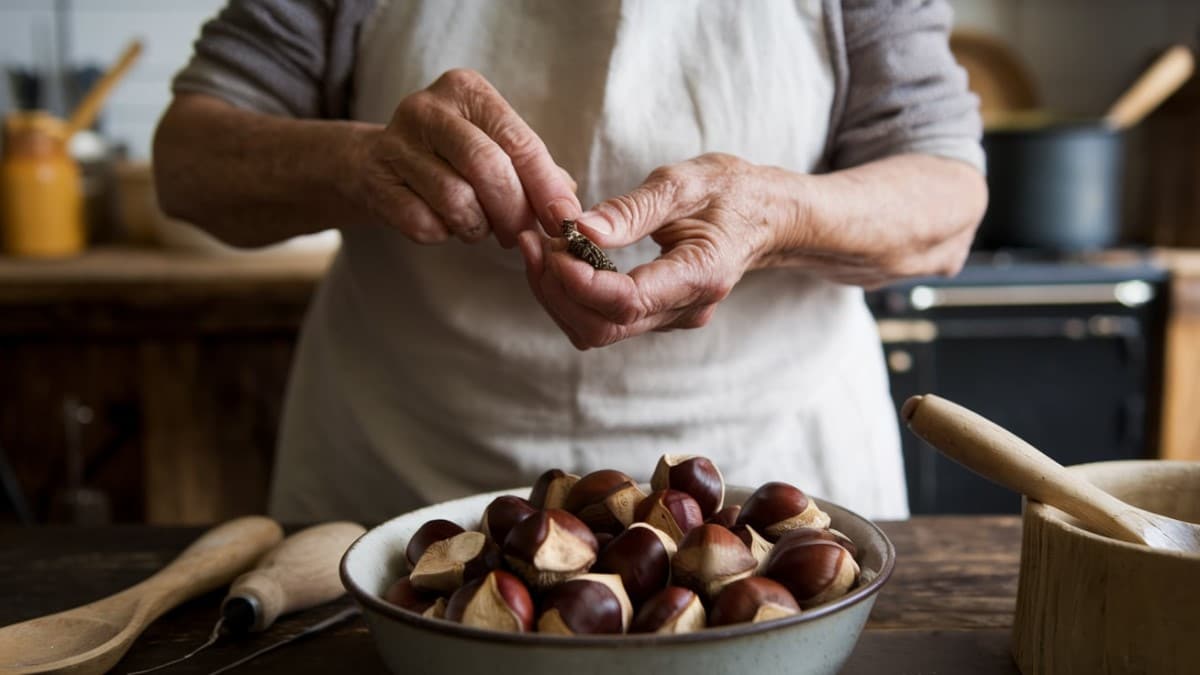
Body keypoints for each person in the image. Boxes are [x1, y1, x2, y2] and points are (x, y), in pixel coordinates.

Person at [155, 0, 987, 525]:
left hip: (761, 495)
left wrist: (776, 215)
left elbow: (947, 199)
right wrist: (361, 163)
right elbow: (187, 163)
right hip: (404, 484)